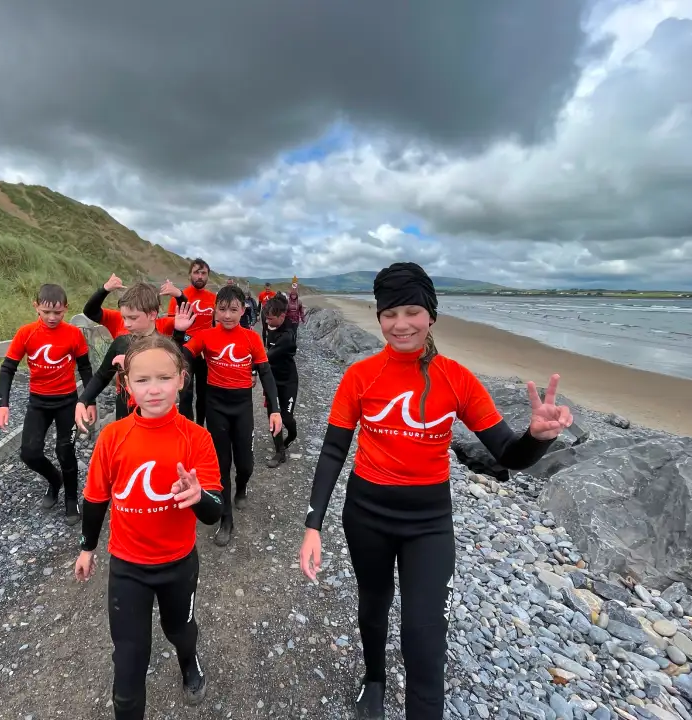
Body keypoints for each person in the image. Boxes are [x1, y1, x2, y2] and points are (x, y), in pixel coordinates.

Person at [297, 262, 573, 719]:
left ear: (431, 314)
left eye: (411, 311)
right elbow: (332, 452)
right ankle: (374, 679)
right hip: (366, 514)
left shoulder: (455, 378)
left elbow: (507, 453)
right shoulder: (360, 376)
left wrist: (538, 438)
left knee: (424, 641)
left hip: (429, 525)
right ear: (379, 316)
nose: (400, 324)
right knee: (374, 605)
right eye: (390, 313)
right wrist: (313, 525)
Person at [75, 333, 224, 719]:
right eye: (142, 380)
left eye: (163, 378)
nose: (154, 389)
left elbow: (214, 510)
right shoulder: (112, 437)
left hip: (178, 564)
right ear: (126, 385)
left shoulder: (197, 438)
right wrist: (87, 547)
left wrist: (199, 497)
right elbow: (95, 500)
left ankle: (188, 661)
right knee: (127, 666)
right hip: (127, 568)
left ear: (181, 379)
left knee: (180, 630)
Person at [173, 286, 282, 546]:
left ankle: (242, 486)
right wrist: (178, 332)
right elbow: (178, 356)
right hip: (216, 406)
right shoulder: (206, 336)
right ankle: (226, 520)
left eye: (234, 309)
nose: (228, 315)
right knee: (221, 466)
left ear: (243, 311)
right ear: (215, 311)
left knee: (245, 464)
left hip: (242, 406)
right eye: (222, 309)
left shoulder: (251, 338)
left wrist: (275, 409)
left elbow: (265, 373)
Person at [0, 284, 94, 525]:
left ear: (65, 309)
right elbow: (8, 368)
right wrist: (3, 403)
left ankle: (72, 499)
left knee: (66, 452)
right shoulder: (26, 333)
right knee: (29, 454)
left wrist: (88, 400)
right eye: (46, 312)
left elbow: (85, 368)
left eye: (58, 313)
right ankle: (55, 480)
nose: (52, 318)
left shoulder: (73, 334)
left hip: (67, 402)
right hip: (38, 403)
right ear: (36, 307)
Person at [77, 282, 167, 428]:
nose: (126, 324)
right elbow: (102, 376)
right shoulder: (121, 343)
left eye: (133, 318)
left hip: (155, 414)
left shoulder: (165, 346)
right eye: (124, 318)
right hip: (124, 407)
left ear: (152, 314)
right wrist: (84, 400)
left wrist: (134, 365)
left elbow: (174, 383)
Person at [167, 258, 216, 425]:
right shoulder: (178, 298)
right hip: (185, 351)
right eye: (196, 272)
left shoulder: (213, 298)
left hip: (207, 352)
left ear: (208, 276)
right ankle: (186, 428)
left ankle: (201, 428)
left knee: (204, 393)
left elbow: (217, 325)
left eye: (203, 273)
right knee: (186, 393)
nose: (200, 276)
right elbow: (172, 328)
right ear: (190, 275)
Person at [83, 273, 183, 338]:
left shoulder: (164, 324)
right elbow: (90, 312)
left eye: (134, 318)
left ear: (154, 312)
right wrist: (105, 289)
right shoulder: (119, 319)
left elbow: (186, 319)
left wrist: (179, 295)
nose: (127, 324)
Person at [262, 296, 298, 468]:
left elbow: (266, 357)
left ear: (282, 316)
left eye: (271, 318)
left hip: (289, 381)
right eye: (266, 317)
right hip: (272, 380)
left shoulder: (288, 336)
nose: (267, 320)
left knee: (287, 418)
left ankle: (291, 435)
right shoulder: (269, 323)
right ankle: (280, 452)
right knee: (273, 416)